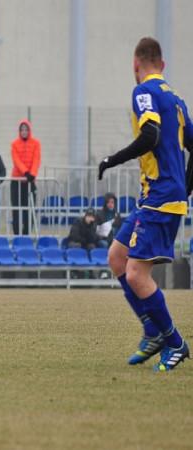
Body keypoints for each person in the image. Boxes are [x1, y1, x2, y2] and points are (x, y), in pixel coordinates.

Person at [98, 37, 192, 371]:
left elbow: (150, 135)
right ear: (162, 64)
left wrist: (112, 159)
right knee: (117, 258)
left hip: (160, 197)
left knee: (137, 274)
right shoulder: (177, 99)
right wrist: (186, 188)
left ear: (136, 65)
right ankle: (152, 331)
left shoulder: (144, 92)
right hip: (156, 197)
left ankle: (175, 342)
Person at [10, 119, 41, 235]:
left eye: (26, 129)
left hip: (30, 181)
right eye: (22, 130)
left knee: (29, 208)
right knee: (17, 209)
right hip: (17, 181)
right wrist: (25, 172)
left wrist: (32, 174)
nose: (24, 132)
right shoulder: (14, 144)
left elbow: (36, 159)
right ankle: (17, 234)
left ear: (29, 130)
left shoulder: (36, 144)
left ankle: (26, 233)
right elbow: (16, 160)